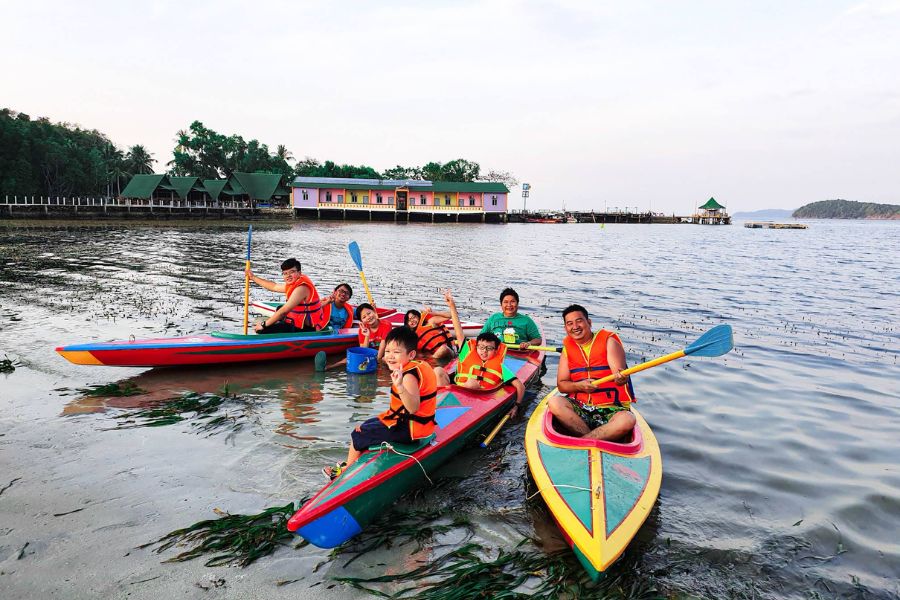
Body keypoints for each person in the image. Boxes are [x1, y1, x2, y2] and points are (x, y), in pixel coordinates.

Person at [323, 326, 438, 480]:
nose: (390, 356)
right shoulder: (416, 366)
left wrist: (401, 386)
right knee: (365, 425)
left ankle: (346, 473)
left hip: (408, 431)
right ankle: (352, 463)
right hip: (414, 426)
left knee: (357, 434)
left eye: (396, 352)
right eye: (388, 351)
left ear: (411, 354)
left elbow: (413, 407)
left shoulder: (408, 377)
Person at [548, 304, 636, 442]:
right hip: (581, 406)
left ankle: (582, 441)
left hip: (611, 408)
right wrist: (580, 386)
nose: (575, 326)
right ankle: (592, 437)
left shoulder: (609, 341)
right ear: (566, 328)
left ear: (589, 322)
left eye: (579, 321)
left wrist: (621, 378)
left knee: (628, 419)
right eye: (569, 323)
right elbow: (562, 385)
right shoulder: (567, 350)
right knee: (554, 402)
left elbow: (619, 379)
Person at [433, 290, 527, 417]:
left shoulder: (500, 367)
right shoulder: (468, 352)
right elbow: (459, 332)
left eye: (489, 348)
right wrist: (452, 306)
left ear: (495, 350)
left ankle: (445, 411)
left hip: (476, 399)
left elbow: (520, 386)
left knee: (472, 382)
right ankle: (435, 404)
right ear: (476, 347)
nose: (484, 351)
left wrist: (517, 406)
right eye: (481, 347)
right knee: (438, 370)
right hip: (452, 394)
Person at [246, 259, 327, 334]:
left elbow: (284, 311)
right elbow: (274, 286)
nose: (288, 275)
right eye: (285, 273)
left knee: (263, 330)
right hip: (297, 321)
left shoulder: (301, 288)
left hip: (306, 328)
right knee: (279, 309)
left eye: (292, 272)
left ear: (299, 273)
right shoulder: (295, 282)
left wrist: (263, 325)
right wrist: (253, 277)